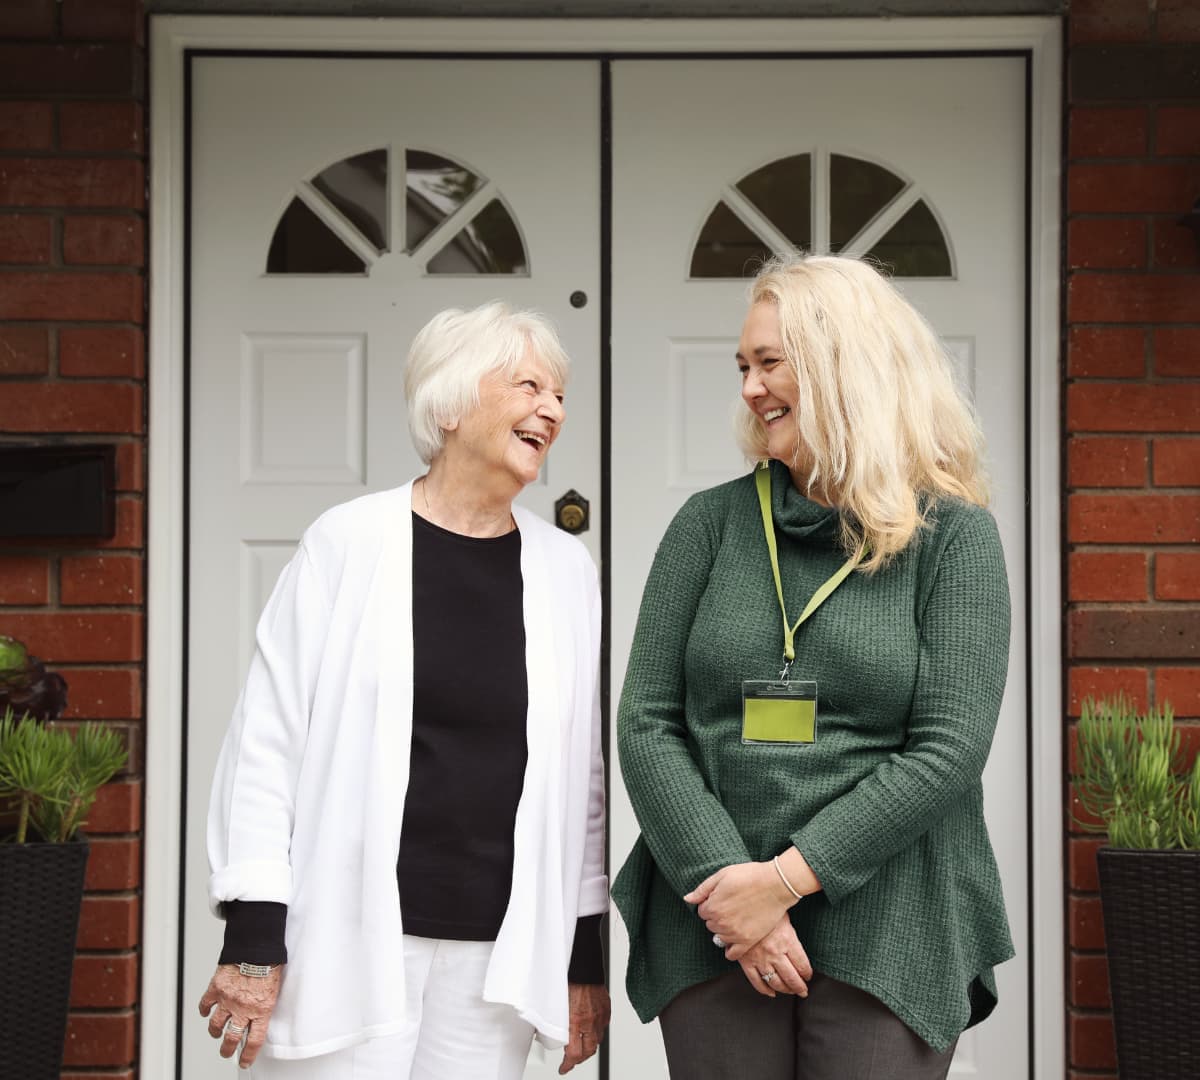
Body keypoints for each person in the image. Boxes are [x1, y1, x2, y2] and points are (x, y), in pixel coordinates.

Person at [612, 254, 1013, 1080]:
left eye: (770, 363)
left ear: (845, 368)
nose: (751, 388)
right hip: (712, 910)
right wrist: (736, 893)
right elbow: (647, 721)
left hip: (893, 914)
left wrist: (787, 882)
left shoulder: (955, 537)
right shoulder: (708, 524)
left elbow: (949, 748)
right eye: (744, 368)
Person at [199, 301, 610, 1078]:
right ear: (451, 403)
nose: (552, 409)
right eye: (528, 386)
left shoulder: (565, 570)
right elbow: (267, 741)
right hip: (350, 939)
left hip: (501, 957)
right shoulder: (346, 543)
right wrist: (254, 934)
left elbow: (580, 784)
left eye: (559, 394)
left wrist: (580, 955)